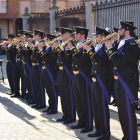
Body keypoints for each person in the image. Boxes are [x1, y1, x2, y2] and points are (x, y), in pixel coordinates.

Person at [105, 21, 138, 140]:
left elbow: (118, 61)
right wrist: (110, 47)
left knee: (128, 113)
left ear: (127, 31)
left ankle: (131, 138)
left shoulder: (132, 46)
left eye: (120, 30)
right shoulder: (122, 43)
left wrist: (110, 49)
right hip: (119, 82)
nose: (118, 32)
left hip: (127, 84)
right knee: (122, 113)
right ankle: (126, 136)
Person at [83, 27, 111, 140]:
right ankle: (98, 130)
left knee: (102, 108)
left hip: (102, 82)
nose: (95, 38)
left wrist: (90, 50)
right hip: (94, 81)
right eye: (95, 36)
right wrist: (87, 49)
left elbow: (101, 61)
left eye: (98, 36)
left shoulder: (107, 48)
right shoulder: (97, 47)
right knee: (95, 107)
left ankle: (106, 133)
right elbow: (88, 59)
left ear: (104, 37)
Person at [66, 26, 93, 133]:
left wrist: (73, 49)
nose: (75, 36)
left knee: (86, 101)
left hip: (84, 76)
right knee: (78, 100)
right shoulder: (77, 45)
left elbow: (82, 59)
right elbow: (69, 58)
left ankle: (88, 124)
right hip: (76, 75)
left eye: (77, 34)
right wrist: (69, 49)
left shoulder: (88, 45)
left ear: (83, 35)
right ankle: (81, 121)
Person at [52, 27, 76, 124]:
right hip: (61, 72)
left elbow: (67, 57)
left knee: (69, 95)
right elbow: (54, 55)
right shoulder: (62, 44)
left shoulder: (71, 44)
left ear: (68, 35)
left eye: (62, 34)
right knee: (62, 94)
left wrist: (63, 48)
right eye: (61, 35)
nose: (60, 36)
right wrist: (54, 47)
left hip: (68, 72)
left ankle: (71, 116)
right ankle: (65, 114)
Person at [38, 34, 58, 114]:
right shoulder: (47, 48)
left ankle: (54, 108)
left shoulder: (52, 49)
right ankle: (50, 106)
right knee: (48, 90)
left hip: (51, 72)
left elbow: (48, 59)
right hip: (45, 71)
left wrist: (41, 51)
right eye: (47, 40)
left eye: (49, 40)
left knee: (52, 90)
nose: (47, 41)